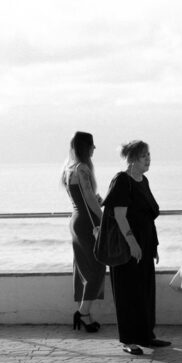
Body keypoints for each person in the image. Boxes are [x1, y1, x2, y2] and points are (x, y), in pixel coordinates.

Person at [102, 140, 170, 355]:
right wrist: (133, 244)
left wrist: (154, 246)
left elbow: (148, 216)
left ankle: (146, 336)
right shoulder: (122, 180)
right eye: (143, 156)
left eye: (149, 155)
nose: (148, 159)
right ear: (132, 159)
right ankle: (129, 340)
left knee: (145, 292)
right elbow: (120, 216)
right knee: (128, 293)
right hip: (128, 248)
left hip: (146, 246)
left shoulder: (144, 180)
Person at [61, 131, 105, 333]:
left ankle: (84, 313)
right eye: (92, 145)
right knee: (96, 267)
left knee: (85, 268)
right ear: (85, 147)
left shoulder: (68, 169)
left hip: (76, 221)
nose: (94, 149)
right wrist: (105, 220)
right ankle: (83, 313)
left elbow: (81, 200)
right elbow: (88, 199)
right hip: (88, 223)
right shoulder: (83, 169)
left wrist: (96, 203)